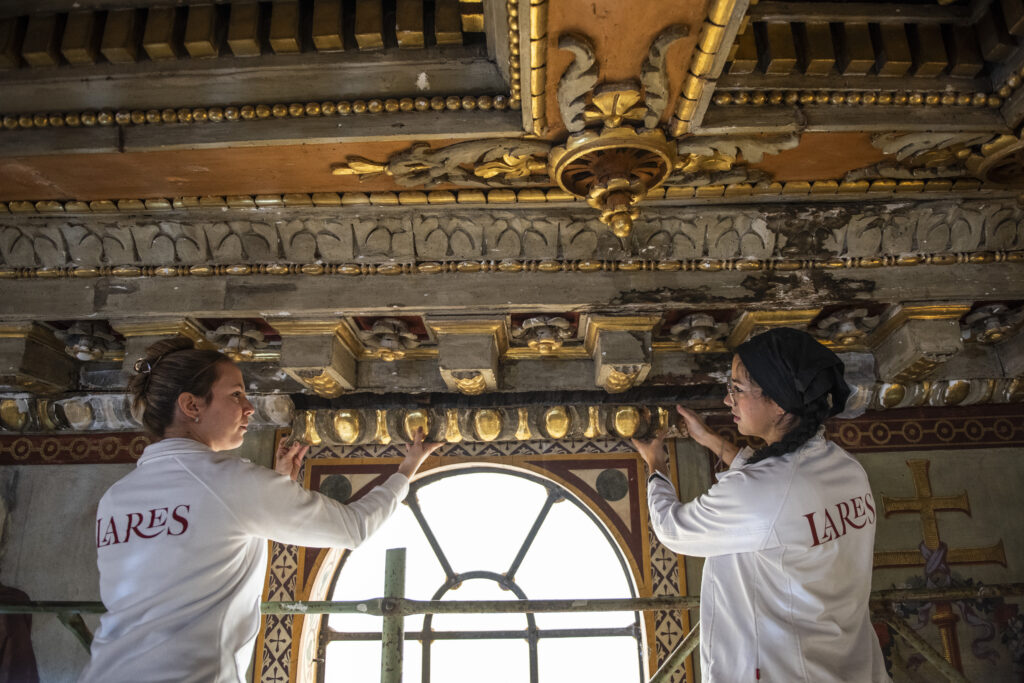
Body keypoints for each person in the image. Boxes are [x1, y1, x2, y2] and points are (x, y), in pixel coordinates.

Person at [78, 337, 442, 683]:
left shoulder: (116, 497)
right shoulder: (230, 482)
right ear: (192, 406)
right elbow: (354, 528)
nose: (249, 407)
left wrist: (275, 488)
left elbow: (202, 547)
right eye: (236, 394)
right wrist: (406, 470)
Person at [633, 327, 890, 683]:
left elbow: (673, 530)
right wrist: (713, 441)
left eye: (736, 389)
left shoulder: (763, 493)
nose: (728, 401)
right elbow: (775, 493)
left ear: (780, 401)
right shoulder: (845, 468)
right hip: (850, 667)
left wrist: (655, 465)